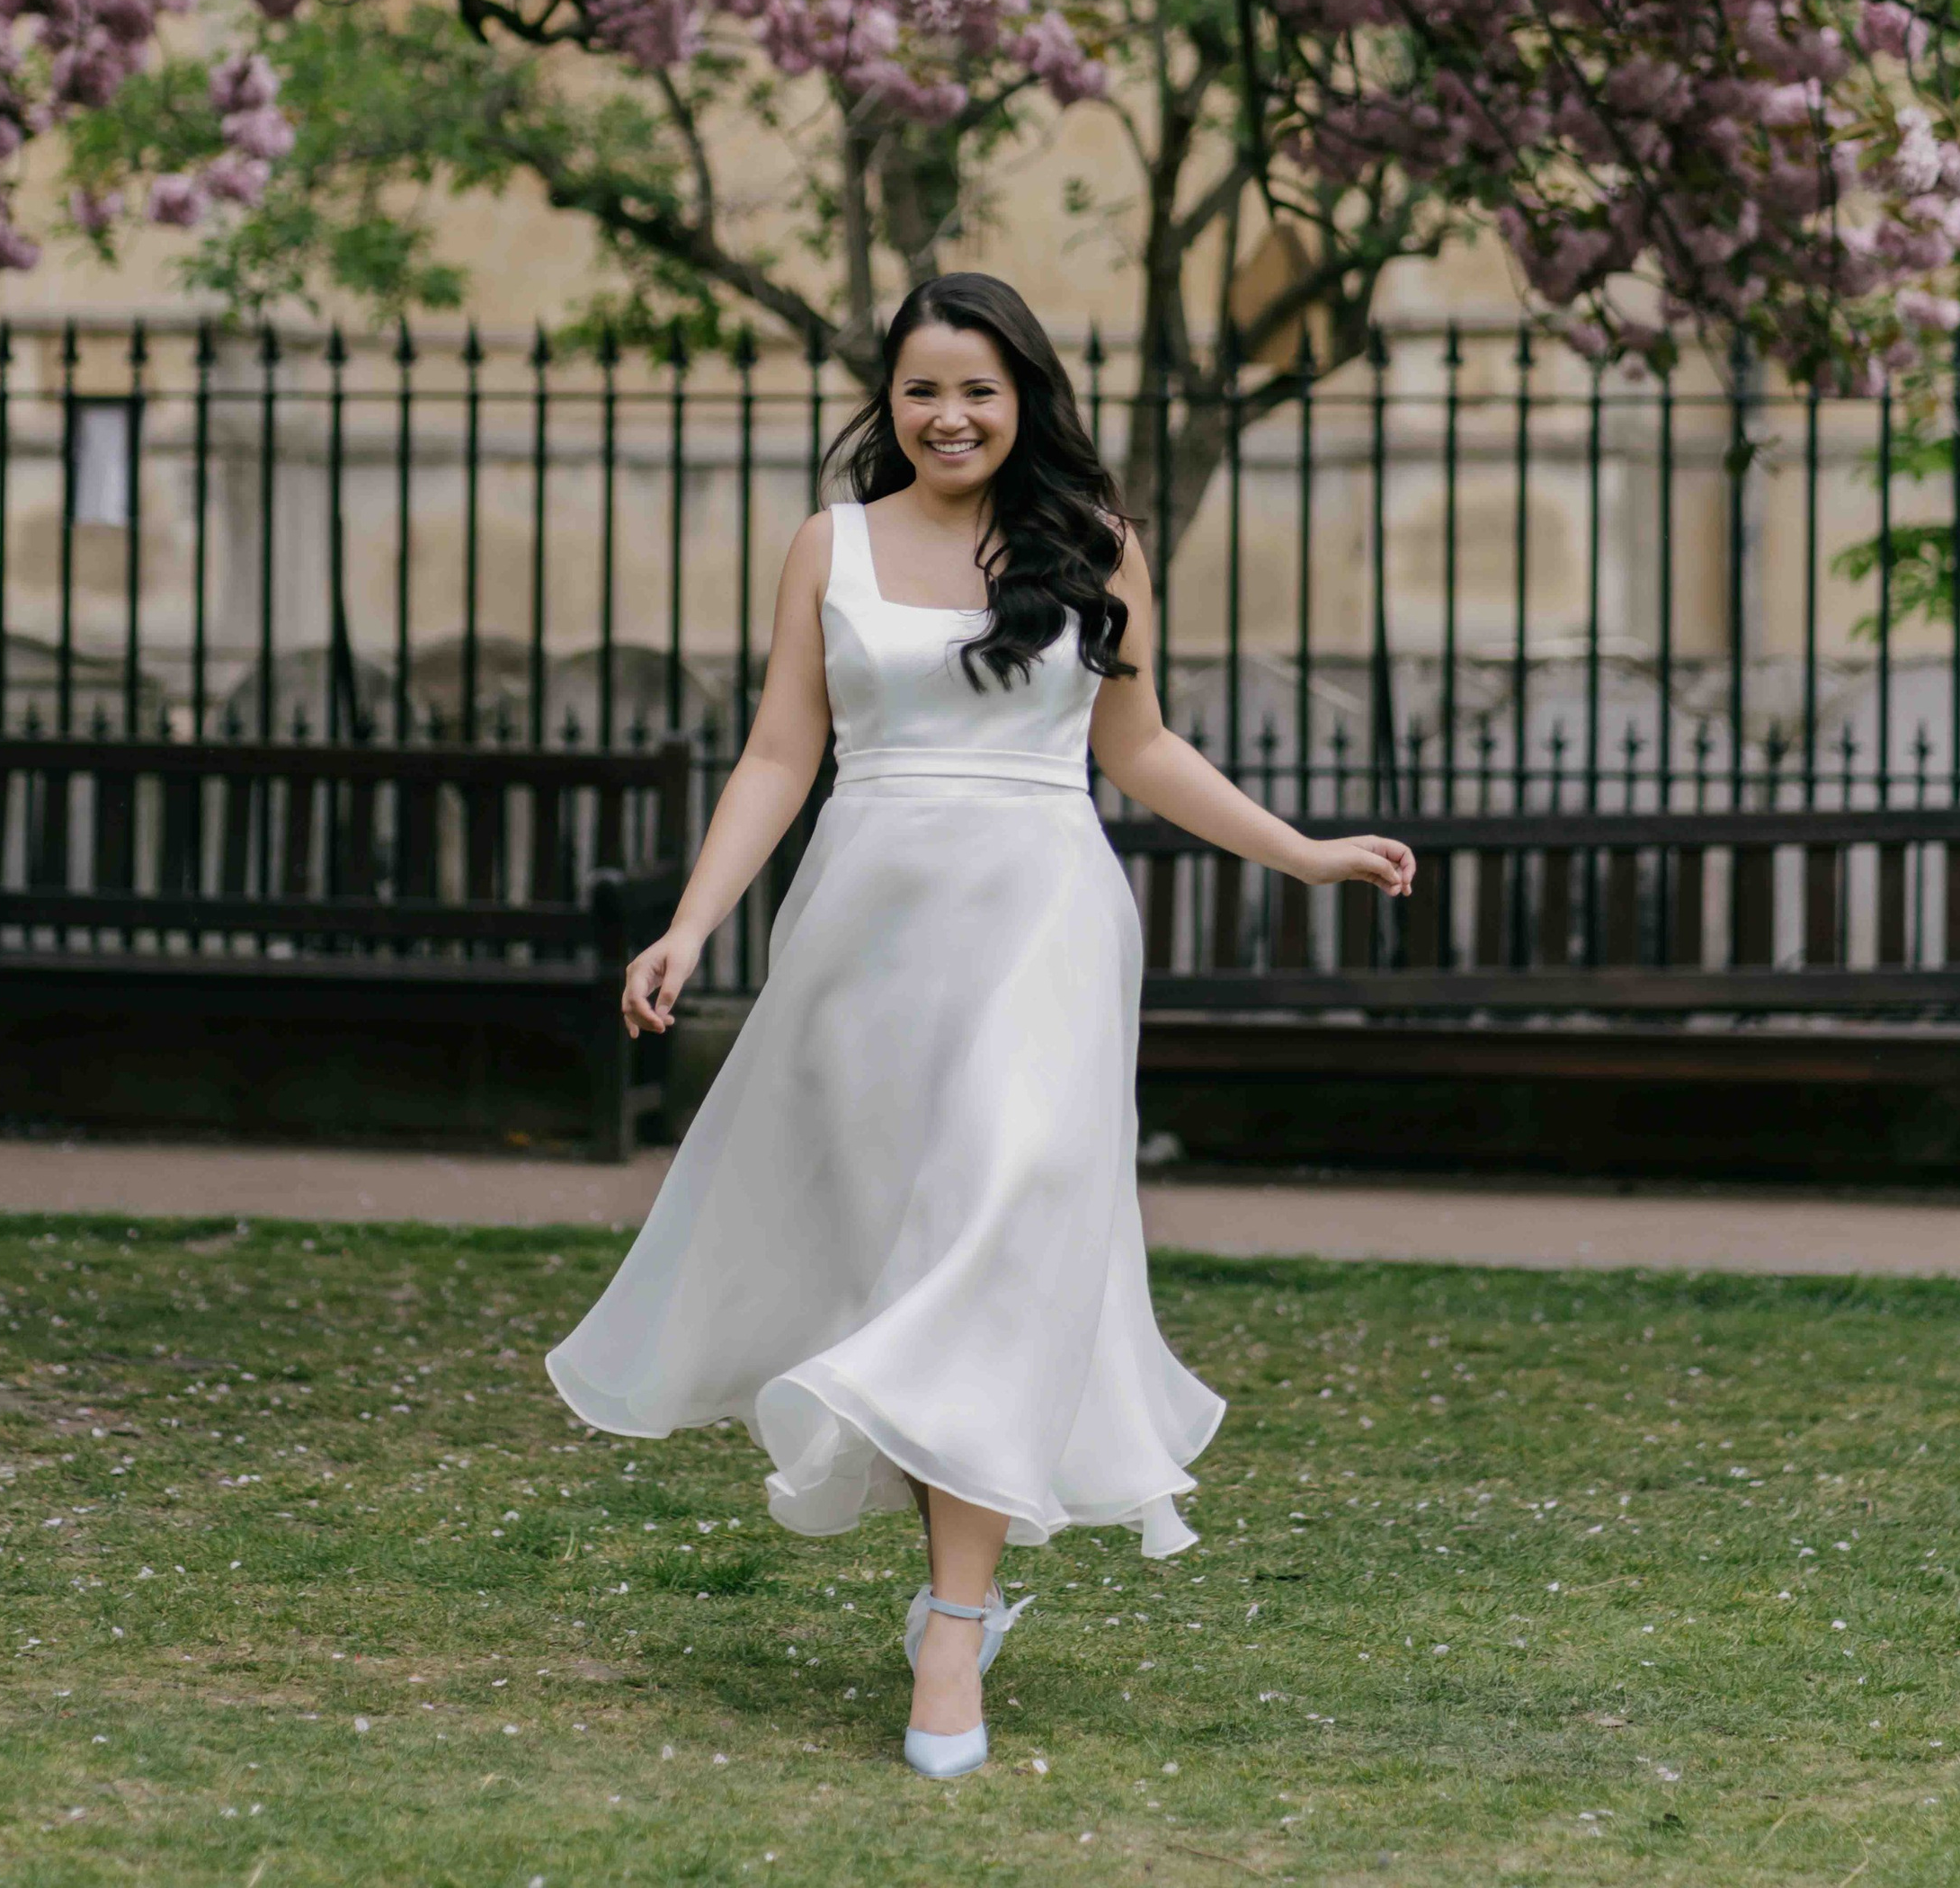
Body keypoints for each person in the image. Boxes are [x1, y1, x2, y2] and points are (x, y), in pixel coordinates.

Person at [546, 273, 1414, 1778]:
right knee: (917, 1243)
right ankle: (947, 1550)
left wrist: (1306, 850)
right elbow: (776, 753)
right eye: (922, 390)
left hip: (1046, 925)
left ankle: (957, 1620)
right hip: (867, 939)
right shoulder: (833, 544)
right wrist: (690, 923)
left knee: (1012, 1215)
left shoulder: (1099, 550)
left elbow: (1136, 748)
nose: (950, 416)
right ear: (889, 403)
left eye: (981, 390)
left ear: (1027, 403)